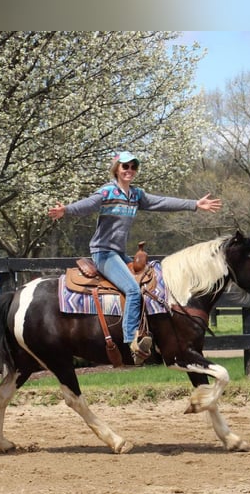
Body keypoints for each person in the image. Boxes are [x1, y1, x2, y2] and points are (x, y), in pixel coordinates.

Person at [47, 151, 223, 365]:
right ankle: (131, 340)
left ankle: (152, 332)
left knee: (151, 285)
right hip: (103, 253)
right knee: (132, 289)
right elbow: (88, 204)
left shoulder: (136, 195)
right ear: (117, 170)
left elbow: (162, 202)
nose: (129, 170)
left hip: (119, 253)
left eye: (133, 167)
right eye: (125, 166)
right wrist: (66, 210)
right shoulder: (107, 192)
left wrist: (195, 204)